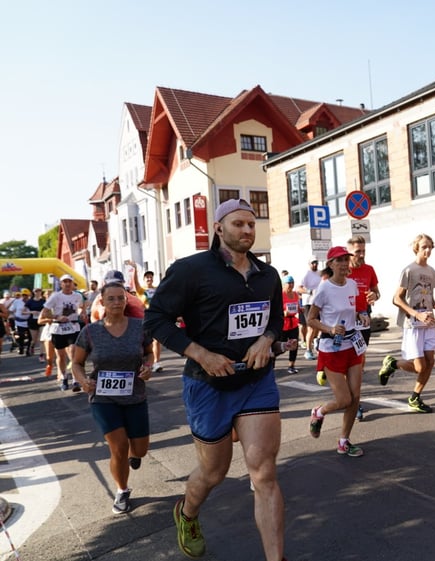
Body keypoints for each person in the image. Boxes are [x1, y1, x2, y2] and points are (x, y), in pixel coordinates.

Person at [144, 198, 287, 561]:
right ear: (219, 228)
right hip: (208, 386)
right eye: (238, 224)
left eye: (251, 224)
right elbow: (156, 320)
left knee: (264, 474)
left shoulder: (267, 275)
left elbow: (274, 320)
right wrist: (200, 353)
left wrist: (267, 340)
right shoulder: (191, 270)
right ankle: (187, 513)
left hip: (256, 381)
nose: (247, 231)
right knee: (214, 472)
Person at [71, 281, 154, 514]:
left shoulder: (140, 327)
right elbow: (76, 363)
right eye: (111, 298)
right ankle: (122, 491)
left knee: (140, 450)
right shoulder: (90, 332)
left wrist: (148, 366)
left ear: (126, 300)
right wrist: (83, 380)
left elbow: (149, 353)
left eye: (121, 298)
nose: (116, 302)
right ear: (102, 301)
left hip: (135, 395)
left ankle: (134, 456)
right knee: (118, 446)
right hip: (103, 398)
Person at [306, 246, 370, 456]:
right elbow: (311, 319)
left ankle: (344, 441)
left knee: (356, 396)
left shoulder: (352, 284)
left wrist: (362, 315)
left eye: (346, 259)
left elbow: (358, 308)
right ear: (331, 264)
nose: (344, 263)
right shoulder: (324, 288)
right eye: (339, 260)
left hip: (352, 344)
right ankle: (319, 411)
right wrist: (330, 329)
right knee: (344, 400)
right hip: (331, 348)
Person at [378, 234, 435, 413]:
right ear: (416, 248)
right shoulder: (409, 270)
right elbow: (396, 299)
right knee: (419, 367)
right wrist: (416, 314)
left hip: (428, 323)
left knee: (430, 362)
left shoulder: (432, 272)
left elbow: (427, 295)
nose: (427, 250)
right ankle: (392, 364)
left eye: (430, 247)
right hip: (413, 324)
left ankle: (415, 397)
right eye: (424, 247)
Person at [346, 234, 381, 421]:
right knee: (347, 361)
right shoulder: (343, 271)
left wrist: (374, 296)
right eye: (357, 252)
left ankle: (355, 400)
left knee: (359, 360)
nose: (361, 255)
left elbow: (377, 291)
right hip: (345, 322)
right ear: (349, 253)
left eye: (363, 251)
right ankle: (349, 397)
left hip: (364, 321)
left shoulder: (369, 270)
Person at [44, 274, 87, 391]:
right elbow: (45, 312)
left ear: (73, 284)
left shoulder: (78, 296)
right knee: (61, 356)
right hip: (58, 328)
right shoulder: (55, 296)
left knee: (73, 352)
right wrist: (57, 317)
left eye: (69, 282)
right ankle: (63, 377)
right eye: (65, 282)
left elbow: (80, 307)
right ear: (61, 284)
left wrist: (81, 313)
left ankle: (75, 380)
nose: (67, 284)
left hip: (73, 327)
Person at [132, 265, 164, 372]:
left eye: (151, 277)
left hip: (156, 317)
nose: (149, 279)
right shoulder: (141, 290)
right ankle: (142, 362)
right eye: (147, 277)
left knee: (156, 340)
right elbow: (135, 282)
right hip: (144, 317)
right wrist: (135, 270)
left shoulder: (157, 289)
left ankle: (156, 362)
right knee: (143, 341)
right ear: (144, 279)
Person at [297, 258, 322, 360]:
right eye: (313, 263)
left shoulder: (320, 273)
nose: (315, 264)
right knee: (311, 327)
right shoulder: (306, 274)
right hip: (309, 303)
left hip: (319, 303)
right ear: (309, 264)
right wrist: (308, 291)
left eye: (316, 262)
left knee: (320, 325)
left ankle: (316, 341)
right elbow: (298, 288)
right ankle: (308, 350)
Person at [280, 275, 301, 374]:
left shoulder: (295, 294)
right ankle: (271, 365)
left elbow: (296, 306)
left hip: (293, 323)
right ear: (284, 284)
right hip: (283, 324)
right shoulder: (280, 295)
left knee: (294, 344)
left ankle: (291, 365)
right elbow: (275, 310)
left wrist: (300, 309)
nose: (291, 285)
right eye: (289, 283)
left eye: (292, 283)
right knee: (280, 346)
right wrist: (284, 313)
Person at [8, 288, 33, 356]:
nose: (25, 296)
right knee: (21, 336)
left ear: (29, 295)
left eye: (26, 295)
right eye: (23, 295)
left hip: (29, 321)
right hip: (19, 321)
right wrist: (12, 316)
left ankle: (28, 349)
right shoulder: (17, 301)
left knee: (30, 337)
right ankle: (21, 348)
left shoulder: (31, 301)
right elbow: (11, 310)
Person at [26, 287, 46, 362]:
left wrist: (43, 313)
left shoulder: (44, 301)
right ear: (33, 292)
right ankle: (32, 346)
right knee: (34, 340)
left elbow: (47, 310)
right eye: (36, 291)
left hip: (41, 321)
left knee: (41, 339)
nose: (38, 292)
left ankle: (41, 355)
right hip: (32, 321)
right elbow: (23, 312)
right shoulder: (30, 301)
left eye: (39, 291)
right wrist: (31, 312)